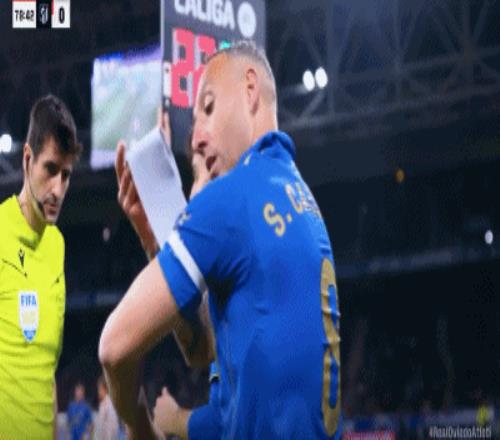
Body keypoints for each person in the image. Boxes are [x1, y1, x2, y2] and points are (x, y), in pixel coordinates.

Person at [99, 40, 342, 439]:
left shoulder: (232, 196)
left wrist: (143, 430)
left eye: (208, 108)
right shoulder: (298, 195)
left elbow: (113, 347)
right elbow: (204, 350)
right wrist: (154, 243)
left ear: (250, 89)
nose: (196, 138)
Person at [0, 94, 81, 439]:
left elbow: (47, 371)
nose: (58, 189)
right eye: (50, 170)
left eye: (66, 175)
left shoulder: (56, 246)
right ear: (27, 159)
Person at [95, 375, 120, 440]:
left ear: (103, 389)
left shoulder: (109, 404)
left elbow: (113, 426)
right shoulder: (104, 404)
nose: (98, 392)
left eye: (99, 389)